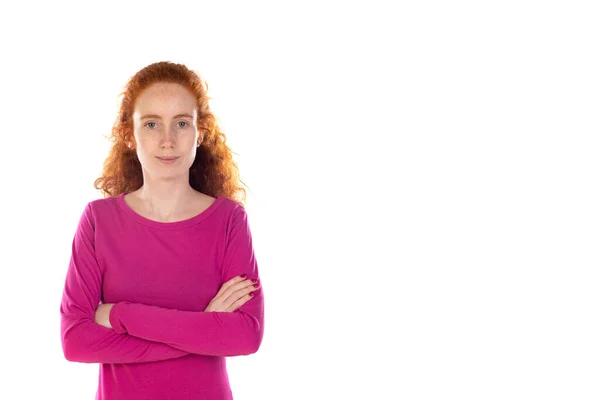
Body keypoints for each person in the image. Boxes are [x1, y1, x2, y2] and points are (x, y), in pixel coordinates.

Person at [59, 61, 264, 400]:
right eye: (152, 123)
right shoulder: (98, 220)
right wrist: (202, 328)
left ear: (200, 132)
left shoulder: (228, 220)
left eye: (181, 123)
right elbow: (75, 342)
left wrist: (120, 315)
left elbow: (245, 336)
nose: (167, 140)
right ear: (130, 134)